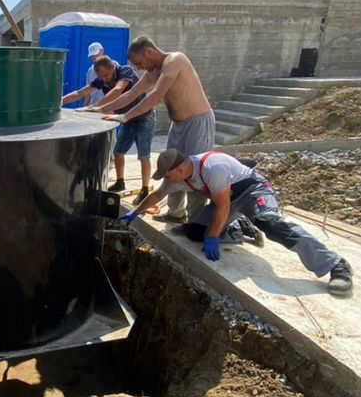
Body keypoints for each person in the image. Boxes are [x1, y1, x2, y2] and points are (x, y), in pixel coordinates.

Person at [121, 149, 354, 297]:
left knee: (268, 222)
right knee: (193, 231)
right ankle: (239, 227)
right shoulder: (178, 177)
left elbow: (222, 206)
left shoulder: (213, 168)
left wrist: (213, 237)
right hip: (228, 199)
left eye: (168, 175)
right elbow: (157, 196)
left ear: (180, 169)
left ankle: (335, 265)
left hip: (252, 191)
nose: (167, 181)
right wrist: (135, 213)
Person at [90, 36, 215, 224]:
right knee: (172, 168)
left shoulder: (175, 60)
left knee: (194, 170)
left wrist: (125, 117)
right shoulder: (153, 72)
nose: (139, 68)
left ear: (149, 52)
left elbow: (156, 95)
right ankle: (176, 213)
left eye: (140, 63)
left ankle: (196, 221)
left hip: (197, 123)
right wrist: (99, 109)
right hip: (178, 125)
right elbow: (132, 94)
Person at [62, 56, 155, 203]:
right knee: (118, 152)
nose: (104, 80)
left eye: (106, 75)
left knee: (144, 156)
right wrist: (59, 101)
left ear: (113, 67)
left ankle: (144, 190)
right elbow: (80, 93)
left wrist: (96, 108)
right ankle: (120, 182)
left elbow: (118, 90)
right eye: (101, 77)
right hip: (126, 118)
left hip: (144, 117)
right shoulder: (102, 79)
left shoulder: (126, 71)